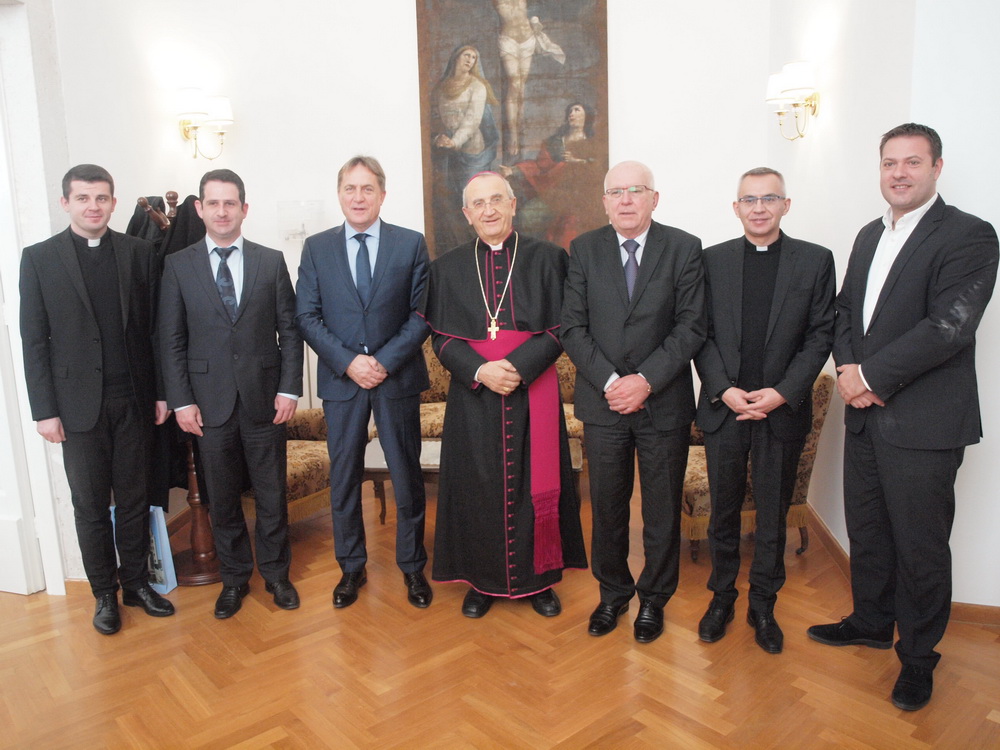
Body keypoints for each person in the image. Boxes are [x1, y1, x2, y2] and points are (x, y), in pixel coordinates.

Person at [807, 123, 998, 711]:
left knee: (920, 545)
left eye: (912, 162)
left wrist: (868, 377)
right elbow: (845, 313)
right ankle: (870, 620)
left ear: (937, 167)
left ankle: (917, 658)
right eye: (890, 162)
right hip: (864, 414)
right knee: (868, 531)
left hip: (924, 424)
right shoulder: (869, 234)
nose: (899, 173)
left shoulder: (970, 235)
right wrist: (847, 371)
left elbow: (948, 327)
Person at [421, 171, 587, 618]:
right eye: (479, 203)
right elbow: (442, 339)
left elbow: (562, 328)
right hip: (474, 396)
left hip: (533, 389)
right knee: (477, 487)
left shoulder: (549, 258)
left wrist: (517, 367)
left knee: (538, 484)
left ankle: (540, 580)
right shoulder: (448, 268)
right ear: (466, 214)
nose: (489, 209)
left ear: (513, 204)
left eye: (497, 200)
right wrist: (481, 370)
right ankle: (483, 581)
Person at [19, 164, 175, 635]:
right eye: (83, 198)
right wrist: (44, 410)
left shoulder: (138, 252)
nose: (93, 206)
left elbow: (154, 331)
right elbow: (34, 340)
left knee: (133, 499)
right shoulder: (39, 258)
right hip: (75, 406)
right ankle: (103, 594)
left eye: (102, 198)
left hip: (134, 398)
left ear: (112, 201)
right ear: (65, 202)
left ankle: (136, 584)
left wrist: (163, 393)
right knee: (88, 505)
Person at [562, 160, 706, 643]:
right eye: (616, 191)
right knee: (606, 505)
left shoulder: (684, 248)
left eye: (636, 190)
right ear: (604, 201)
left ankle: (654, 600)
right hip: (603, 404)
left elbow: (691, 327)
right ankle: (613, 595)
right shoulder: (582, 250)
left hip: (662, 402)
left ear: (654, 198)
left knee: (662, 508)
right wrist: (610, 380)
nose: (625, 199)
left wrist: (645, 380)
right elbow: (572, 328)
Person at [694, 168, 835, 654]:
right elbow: (699, 332)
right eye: (749, 199)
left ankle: (764, 604)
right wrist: (723, 389)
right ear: (735, 208)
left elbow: (821, 335)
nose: (759, 207)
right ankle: (721, 597)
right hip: (725, 407)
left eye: (768, 198)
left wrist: (782, 392)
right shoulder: (710, 261)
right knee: (724, 511)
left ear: (786, 204)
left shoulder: (815, 261)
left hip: (780, 409)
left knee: (772, 514)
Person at [159, 169, 303, 619]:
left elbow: (290, 332)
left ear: (244, 208)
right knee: (221, 499)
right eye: (213, 203)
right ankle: (235, 579)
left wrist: (289, 388)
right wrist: (181, 400)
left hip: (265, 399)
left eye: (231, 203)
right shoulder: (178, 265)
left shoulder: (269, 260)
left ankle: (277, 575)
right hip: (207, 404)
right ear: (199, 208)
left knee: (270, 495)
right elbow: (172, 339)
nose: (222, 211)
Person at [296, 156, 432, 610]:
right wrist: (351, 362)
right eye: (351, 189)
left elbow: (421, 314)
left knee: (407, 477)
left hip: (397, 380)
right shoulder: (317, 248)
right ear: (340, 194)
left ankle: (413, 568)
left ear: (382, 195)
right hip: (342, 382)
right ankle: (350, 567)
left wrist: (383, 362)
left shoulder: (410, 244)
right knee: (344, 479)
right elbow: (307, 317)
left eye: (367, 189)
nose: (358, 197)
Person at [499, 102, 606, 248]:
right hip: (553, 193)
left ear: (586, 116)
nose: (572, 113)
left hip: (582, 197)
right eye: (570, 111)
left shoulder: (594, 144)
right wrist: (513, 170)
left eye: (577, 110)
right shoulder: (555, 142)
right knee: (528, 216)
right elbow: (539, 165)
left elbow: (599, 169)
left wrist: (577, 162)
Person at [431, 44, 500, 252]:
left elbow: (472, 120)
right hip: (448, 153)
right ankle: (461, 248)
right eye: (466, 55)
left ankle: (482, 248)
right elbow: (434, 120)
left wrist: (455, 141)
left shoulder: (477, 86)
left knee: (474, 201)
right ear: (456, 57)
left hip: (471, 152)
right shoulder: (441, 88)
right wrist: (438, 138)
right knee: (451, 201)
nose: (470, 60)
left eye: (474, 57)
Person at [492, 0, 565, 158]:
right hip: (508, 40)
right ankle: (513, 135)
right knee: (515, 84)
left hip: (527, 40)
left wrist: (535, 21)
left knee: (522, 87)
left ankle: (520, 129)